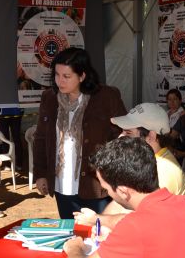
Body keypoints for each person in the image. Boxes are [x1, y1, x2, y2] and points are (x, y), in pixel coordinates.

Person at [33, 47, 126, 219]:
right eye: (57, 75)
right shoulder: (49, 98)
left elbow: (122, 137)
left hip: (96, 185)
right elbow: (40, 138)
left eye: (66, 76)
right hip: (62, 185)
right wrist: (40, 173)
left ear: (82, 76)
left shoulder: (106, 97)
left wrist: (113, 175)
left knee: (97, 231)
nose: (60, 81)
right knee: (71, 230)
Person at [74, 103, 185, 229]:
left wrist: (97, 220)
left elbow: (141, 221)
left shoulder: (164, 170)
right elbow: (122, 202)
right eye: (122, 131)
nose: (120, 137)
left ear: (151, 136)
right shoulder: (146, 161)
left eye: (128, 133)